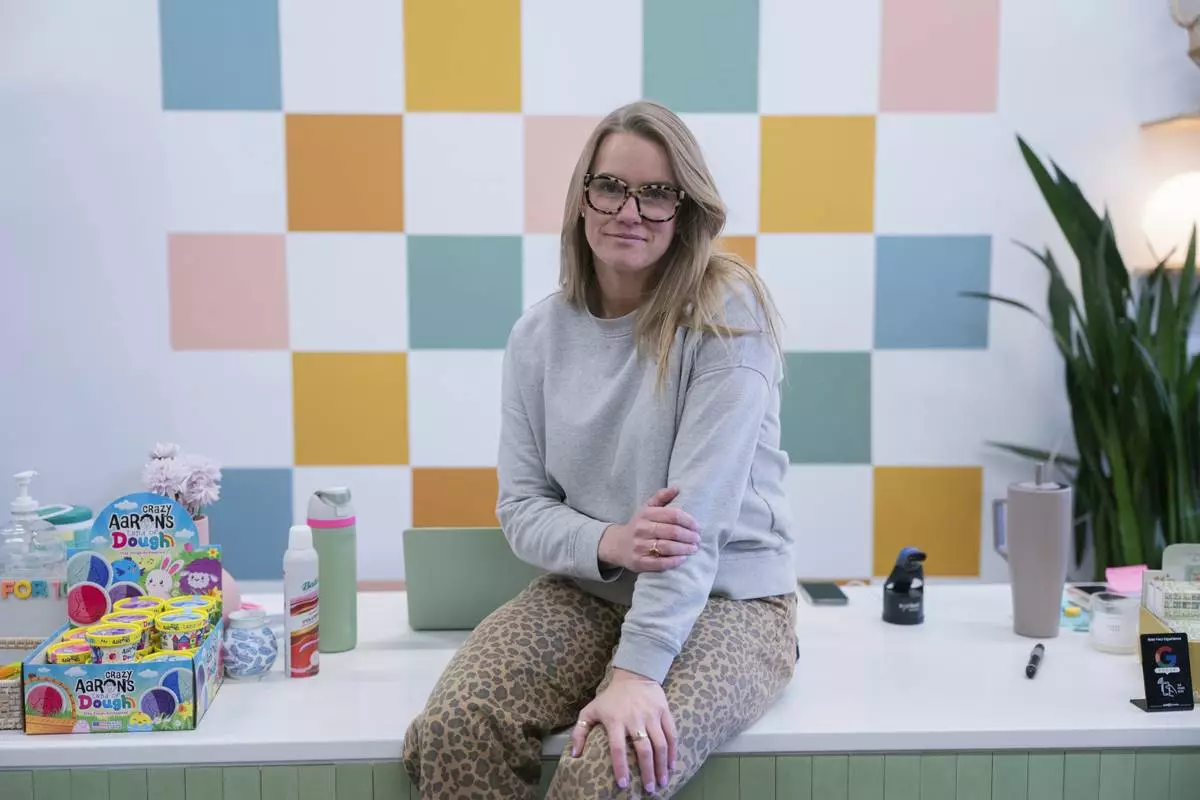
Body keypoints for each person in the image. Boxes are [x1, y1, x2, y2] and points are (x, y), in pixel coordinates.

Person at [402, 99, 798, 799]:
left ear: (685, 209)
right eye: (611, 186)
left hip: (729, 601)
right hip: (592, 591)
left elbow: (690, 530)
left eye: (657, 193)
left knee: (606, 771)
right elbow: (522, 508)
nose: (629, 212)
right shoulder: (537, 337)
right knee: (456, 727)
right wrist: (611, 541)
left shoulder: (727, 316)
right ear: (583, 196)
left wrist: (635, 673)